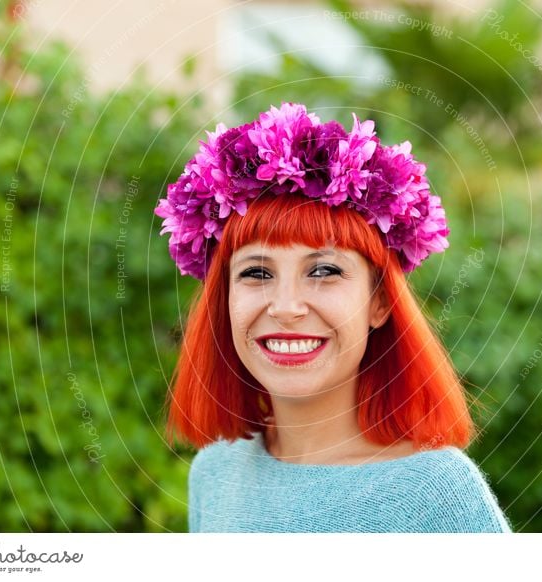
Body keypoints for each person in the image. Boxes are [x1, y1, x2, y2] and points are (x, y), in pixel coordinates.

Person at [155, 103, 512, 533]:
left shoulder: (432, 495)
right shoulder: (214, 474)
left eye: (324, 271)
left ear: (380, 302)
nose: (286, 307)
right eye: (257, 272)